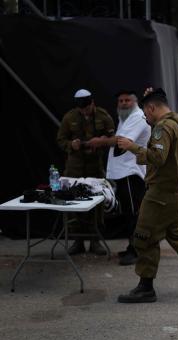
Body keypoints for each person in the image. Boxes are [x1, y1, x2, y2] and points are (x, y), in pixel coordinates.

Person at [116, 88, 178, 303]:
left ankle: (146, 287)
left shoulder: (163, 128)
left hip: (161, 194)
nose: (145, 117)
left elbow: (157, 157)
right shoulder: (176, 123)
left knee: (144, 236)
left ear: (152, 107)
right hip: (173, 192)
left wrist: (132, 147)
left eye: (146, 113)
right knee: (176, 235)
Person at [56, 89, 114, 255]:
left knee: (97, 204)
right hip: (74, 167)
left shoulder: (103, 116)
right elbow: (60, 139)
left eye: (87, 108)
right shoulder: (70, 117)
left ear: (92, 103)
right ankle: (78, 241)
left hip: (95, 167)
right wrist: (70, 145)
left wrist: (102, 141)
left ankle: (95, 241)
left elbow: (113, 137)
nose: (84, 111)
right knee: (73, 203)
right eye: (81, 109)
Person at [104, 90, 151, 265]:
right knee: (129, 213)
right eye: (121, 100)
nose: (123, 103)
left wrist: (98, 141)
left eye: (127, 100)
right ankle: (132, 247)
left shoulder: (138, 117)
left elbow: (121, 141)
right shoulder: (124, 118)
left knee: (134, 213)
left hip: (132, 173)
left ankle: (137, 250)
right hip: (124, 173)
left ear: (135, 102)